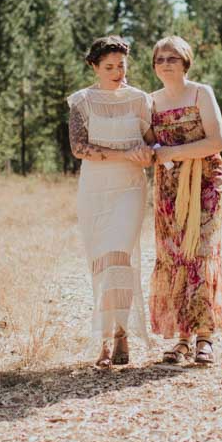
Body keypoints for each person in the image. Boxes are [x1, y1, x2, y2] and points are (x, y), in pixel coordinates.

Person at [67, 36, 155, 368]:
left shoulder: (140, 101)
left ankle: (120, 334)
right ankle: (104, 337)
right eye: (109, 67)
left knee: (120, 257)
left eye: (121, 65)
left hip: (130, 188)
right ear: (94, 67)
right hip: (94, 190)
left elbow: (152, 143)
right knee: (101, 262)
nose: (117, 72)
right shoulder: (81, 102)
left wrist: (148, 155)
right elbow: (79, 148)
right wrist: (123, 154)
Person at [146, 36, 222, 366]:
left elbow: (216, 141)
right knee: (173, 255)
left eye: (172, 58)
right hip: (168, 187)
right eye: (160, 58)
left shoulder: (200, 93)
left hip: (205, 181)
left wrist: (174, 152)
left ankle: (205, 335)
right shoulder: (149, 101)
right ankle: (181, 337)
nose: (165, 63)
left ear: (185, 62)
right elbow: (149, 143)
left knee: (201, 253)